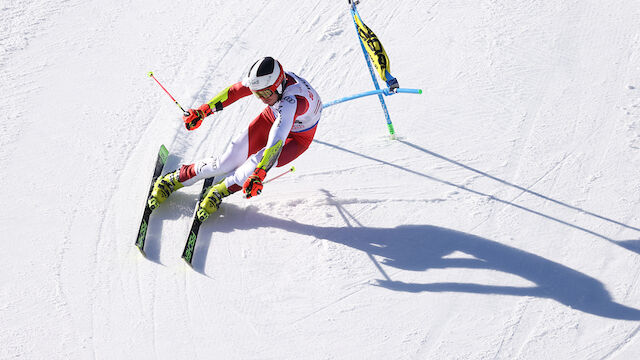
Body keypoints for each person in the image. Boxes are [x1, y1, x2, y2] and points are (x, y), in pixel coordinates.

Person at [148, 56, 322, 221]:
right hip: (272, 118)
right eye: (257, 94)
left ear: (278, 86)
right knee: (226, 162)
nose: (262, 99)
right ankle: (176, 178)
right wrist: (202, 111)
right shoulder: (266, 83)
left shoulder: (293, 100)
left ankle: (219, 191)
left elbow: (278, 137)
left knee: (253, 167)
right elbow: (235, 91)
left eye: (266, 94)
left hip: (297, 138)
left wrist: (259, 174)